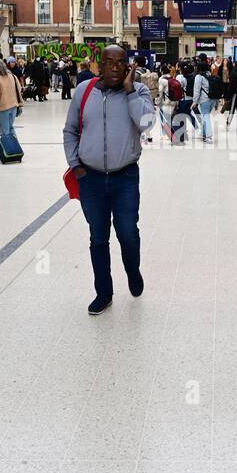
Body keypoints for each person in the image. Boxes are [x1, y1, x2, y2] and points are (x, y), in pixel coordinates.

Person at [63, 45, 154, 316]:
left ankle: (132, 270)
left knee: (128, 233)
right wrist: (75, 164)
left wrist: (129, 92)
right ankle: (103, 292)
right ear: (98, 65)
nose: (115, 68)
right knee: (98, 237)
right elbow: (70, 129)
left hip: (125, 176)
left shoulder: (139, 92)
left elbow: (146, 123)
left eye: (120, 63)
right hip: (89, 178)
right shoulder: (84, 91)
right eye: (108, 62)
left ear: (128, 66)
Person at [0, 57, 23, 150]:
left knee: (4, 131)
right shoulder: (12, 76)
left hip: (2, 108)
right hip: (13, 106)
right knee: (11, 128)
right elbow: (19, 90)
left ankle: (8, 150)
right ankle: (16, 148)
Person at [192, 61, 214, 143]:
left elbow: (196, 91)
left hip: (205, 99)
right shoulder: (210, 74)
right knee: (206, 116)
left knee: (206, 117)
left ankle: (208, 136)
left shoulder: (199, 77)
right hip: (213, 99)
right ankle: (204, 134)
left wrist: (194, 102)